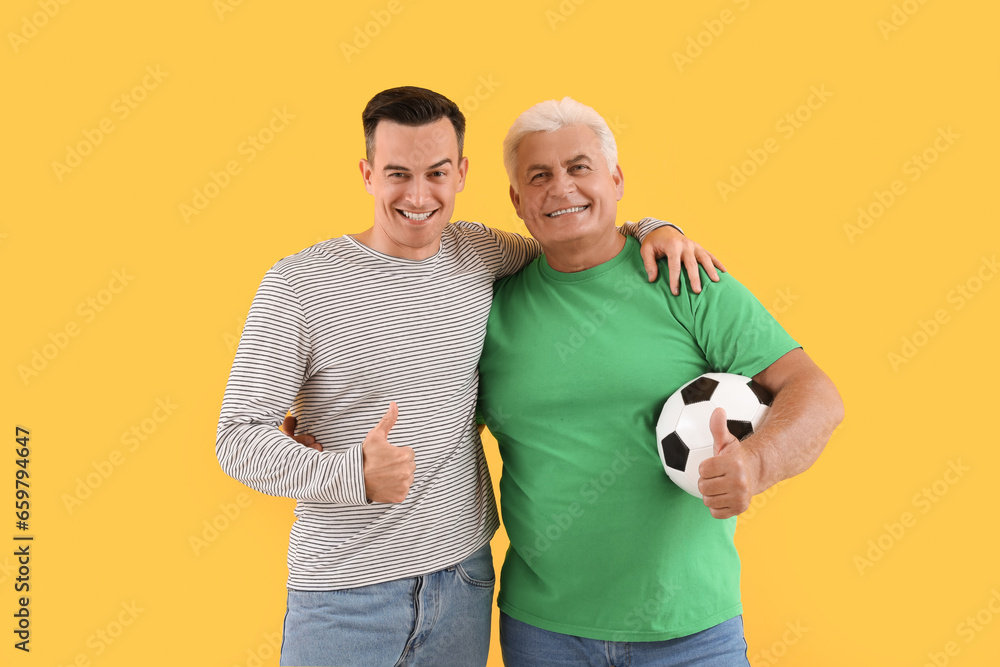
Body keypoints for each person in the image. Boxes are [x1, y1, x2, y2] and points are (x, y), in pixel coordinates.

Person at [215, 86, 723, 667]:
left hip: (463, 581)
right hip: (344, 593)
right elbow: (237, 438)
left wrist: (657, 228)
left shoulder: (480, 253)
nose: (417, 195)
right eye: (397, 173)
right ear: (366, 174)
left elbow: (574, 232)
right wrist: (349, 472)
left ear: (461, 173)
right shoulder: (299, 284)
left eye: (436, 173)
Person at [475, 97, 845, 666]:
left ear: (616, 179)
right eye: (539, 175)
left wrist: (756, 462)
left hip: (692, 631)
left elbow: (814, 391)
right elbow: (425, 416)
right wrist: (328, 422)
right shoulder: (485, 311)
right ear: (517, 201)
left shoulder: (686, 279)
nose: (561, 188)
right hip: (543, 633)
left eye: (579, 167)